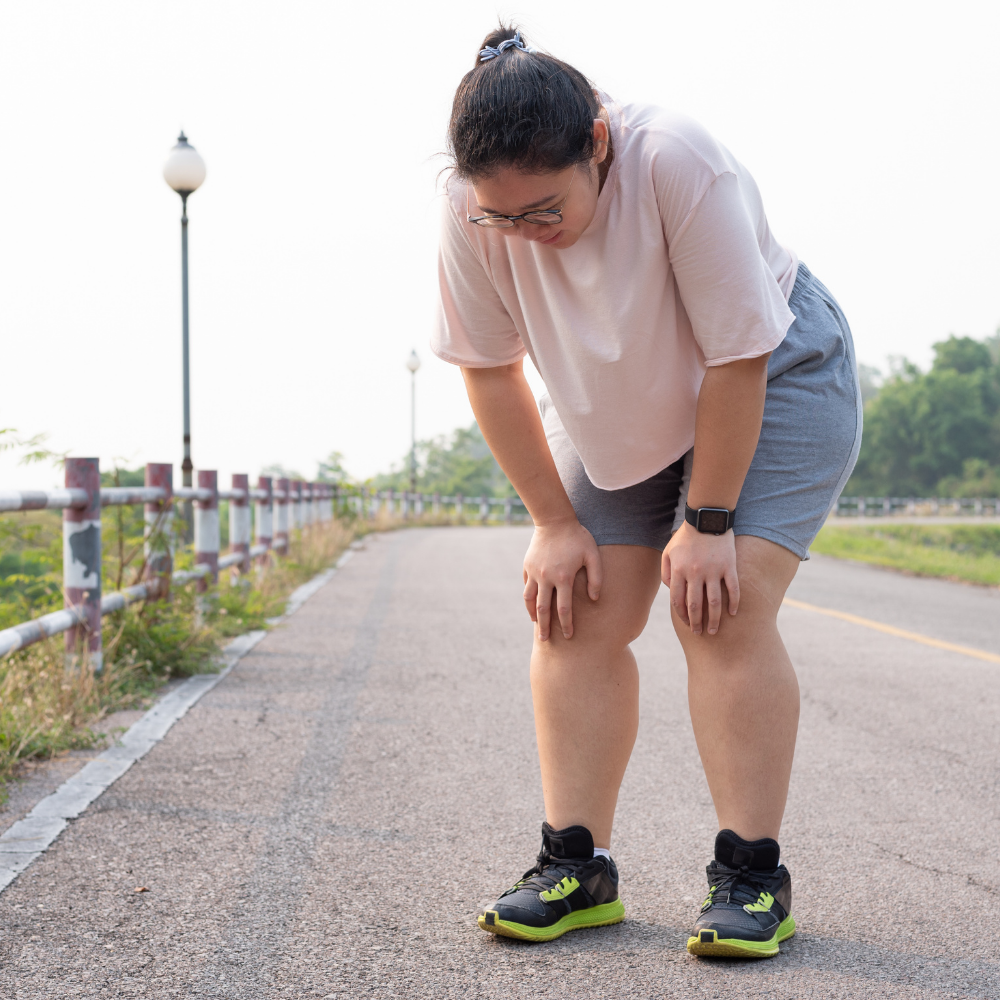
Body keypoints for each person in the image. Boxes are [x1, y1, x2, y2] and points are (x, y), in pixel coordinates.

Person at [432, 25, 861, 958]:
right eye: (503, 218)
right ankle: (575, 868)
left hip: (768, 373)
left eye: (543, 210)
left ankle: (752, 880)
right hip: (625, 403)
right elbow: (490, 370)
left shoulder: (675, 158)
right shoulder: (473, 211)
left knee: (721, 607)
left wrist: (707, 523)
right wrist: (552, 523)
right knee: (571, 610)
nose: (526, 235)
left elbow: (739, 356)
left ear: (597, 141)